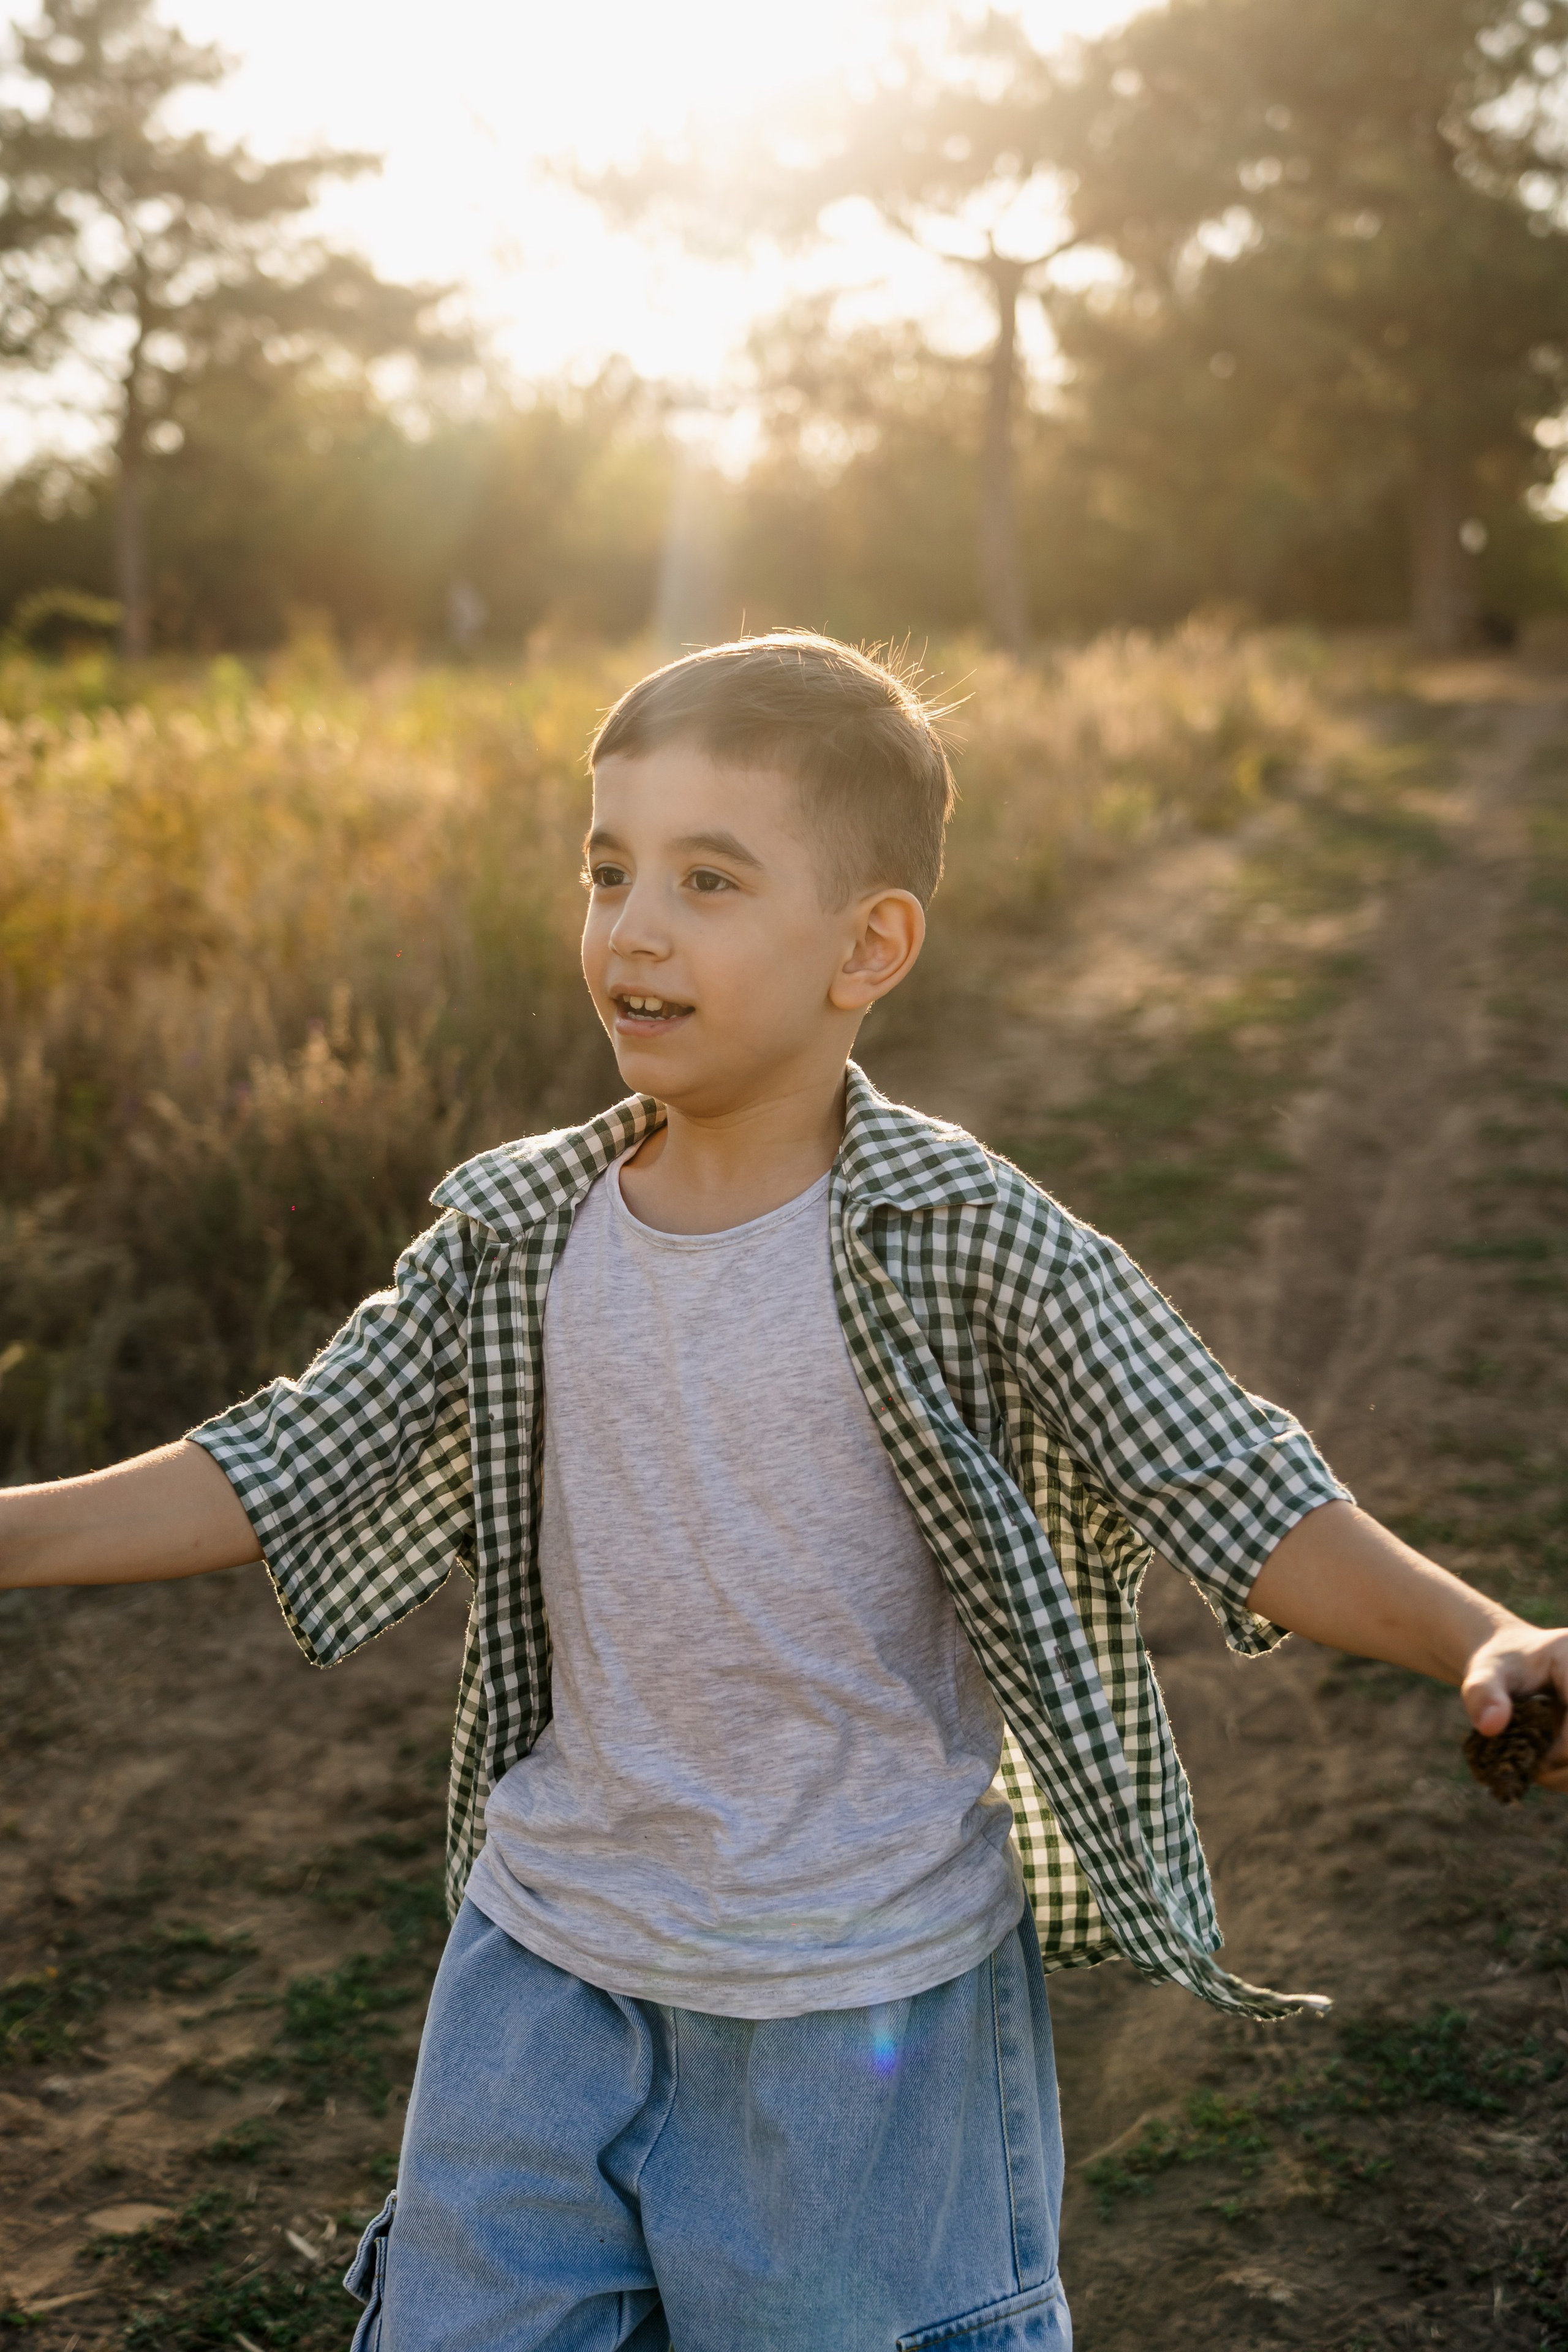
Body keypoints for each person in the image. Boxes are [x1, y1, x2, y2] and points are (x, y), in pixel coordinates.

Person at [2, 632, 1563, 2352]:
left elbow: (1229, 1477)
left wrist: (1480, 1635)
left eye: (709, 879)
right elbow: (284, 1458)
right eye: (607, 872)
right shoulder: (518, 1234)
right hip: (545, 1965)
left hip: (859, 2007)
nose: (633, 929)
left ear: (868, 944)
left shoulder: (968, 1236)